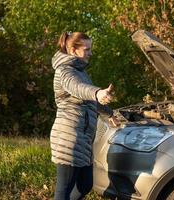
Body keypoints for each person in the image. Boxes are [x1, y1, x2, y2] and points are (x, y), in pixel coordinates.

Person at [50, 31, 119, 200]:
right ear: (74, 50)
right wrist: (97, 92)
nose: (90, 53)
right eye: (87, 49)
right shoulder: (64, 71)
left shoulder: (80, 71)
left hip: (83, 137)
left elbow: (88, 100)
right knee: (64, 189)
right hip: (69, 137)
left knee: (85, 185)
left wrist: (109, 113)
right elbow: (78, 88)